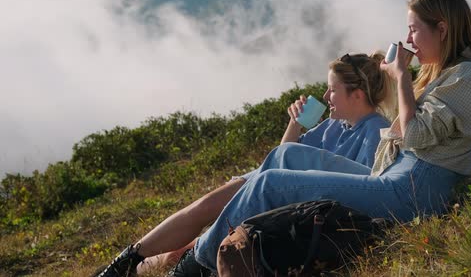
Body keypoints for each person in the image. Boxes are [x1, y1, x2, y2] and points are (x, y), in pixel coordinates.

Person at [156, 0, 471, 276]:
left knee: (267, 185)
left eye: (415, 31)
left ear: (442, 28)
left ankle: (193, 266)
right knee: (289, 154)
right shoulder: (448, 75)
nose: (409, 41)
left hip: (411, 192)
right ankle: (202, 248)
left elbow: (416, 135)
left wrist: (402, 77)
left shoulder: (466, 76)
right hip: (396, 176)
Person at [96, 51, 395, 276]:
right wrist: (294, 123)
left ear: (356, 94)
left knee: (201, 235)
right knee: (203, 208)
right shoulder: (335, 125)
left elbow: (357, 189)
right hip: (275, 181)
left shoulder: (373, 130)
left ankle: (154, 266)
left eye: (333, 90)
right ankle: (127, 262)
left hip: (290, 197)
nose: (327, 96)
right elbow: (282, 156)